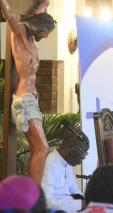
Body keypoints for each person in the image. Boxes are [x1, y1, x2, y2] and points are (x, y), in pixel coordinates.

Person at [0, 0, 56, 184]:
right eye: (45, 33)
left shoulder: (32, 37)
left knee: (37, 149)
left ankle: (32, 193)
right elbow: (10, 15)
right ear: (40, 28)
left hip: (32, 101)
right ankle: (35, 195)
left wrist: (44, 4)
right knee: (42, 149)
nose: (46, 37)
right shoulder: (20, 34)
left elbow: (36, 16)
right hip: (24, 100)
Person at [41, 120, 89, 212]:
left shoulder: (66, 163)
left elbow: (74, 191)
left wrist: (88, 201)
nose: (82, 157)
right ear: (70, 146)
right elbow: (46, 202)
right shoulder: (50, 162)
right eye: (81, 152)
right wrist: (79, 204)